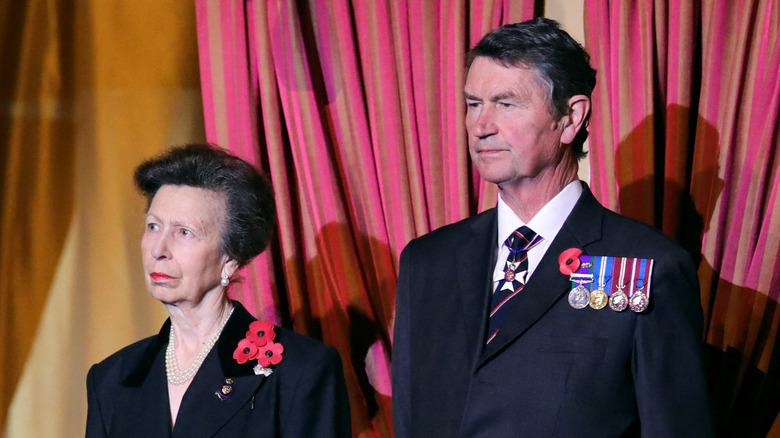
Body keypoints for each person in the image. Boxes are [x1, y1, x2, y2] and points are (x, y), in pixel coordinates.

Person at [392, 18, 712, 437]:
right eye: (473, 104)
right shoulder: (427, 260)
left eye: (505, 104)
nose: (480, 126)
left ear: (570, 117)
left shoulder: (650, 266)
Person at [86, 144, 351, 437]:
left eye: (184, 232)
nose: (159, 249)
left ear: (231, 258)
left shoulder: (300, 371)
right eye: (153, 226)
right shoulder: (111, 378)